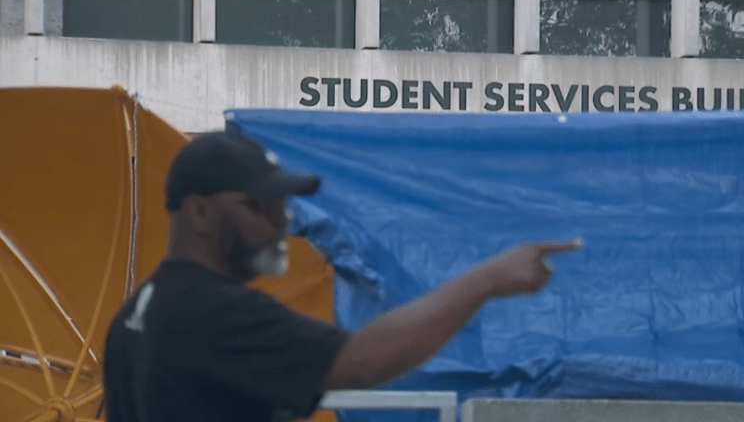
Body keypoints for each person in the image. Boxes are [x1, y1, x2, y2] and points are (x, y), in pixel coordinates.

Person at [102, 130, 581, 422]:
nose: (281, 221)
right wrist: (486, 281)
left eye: (283, 205)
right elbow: (360, 362)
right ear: (200, 212)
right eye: (260, 206)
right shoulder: (218, 311)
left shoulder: (137, 313)